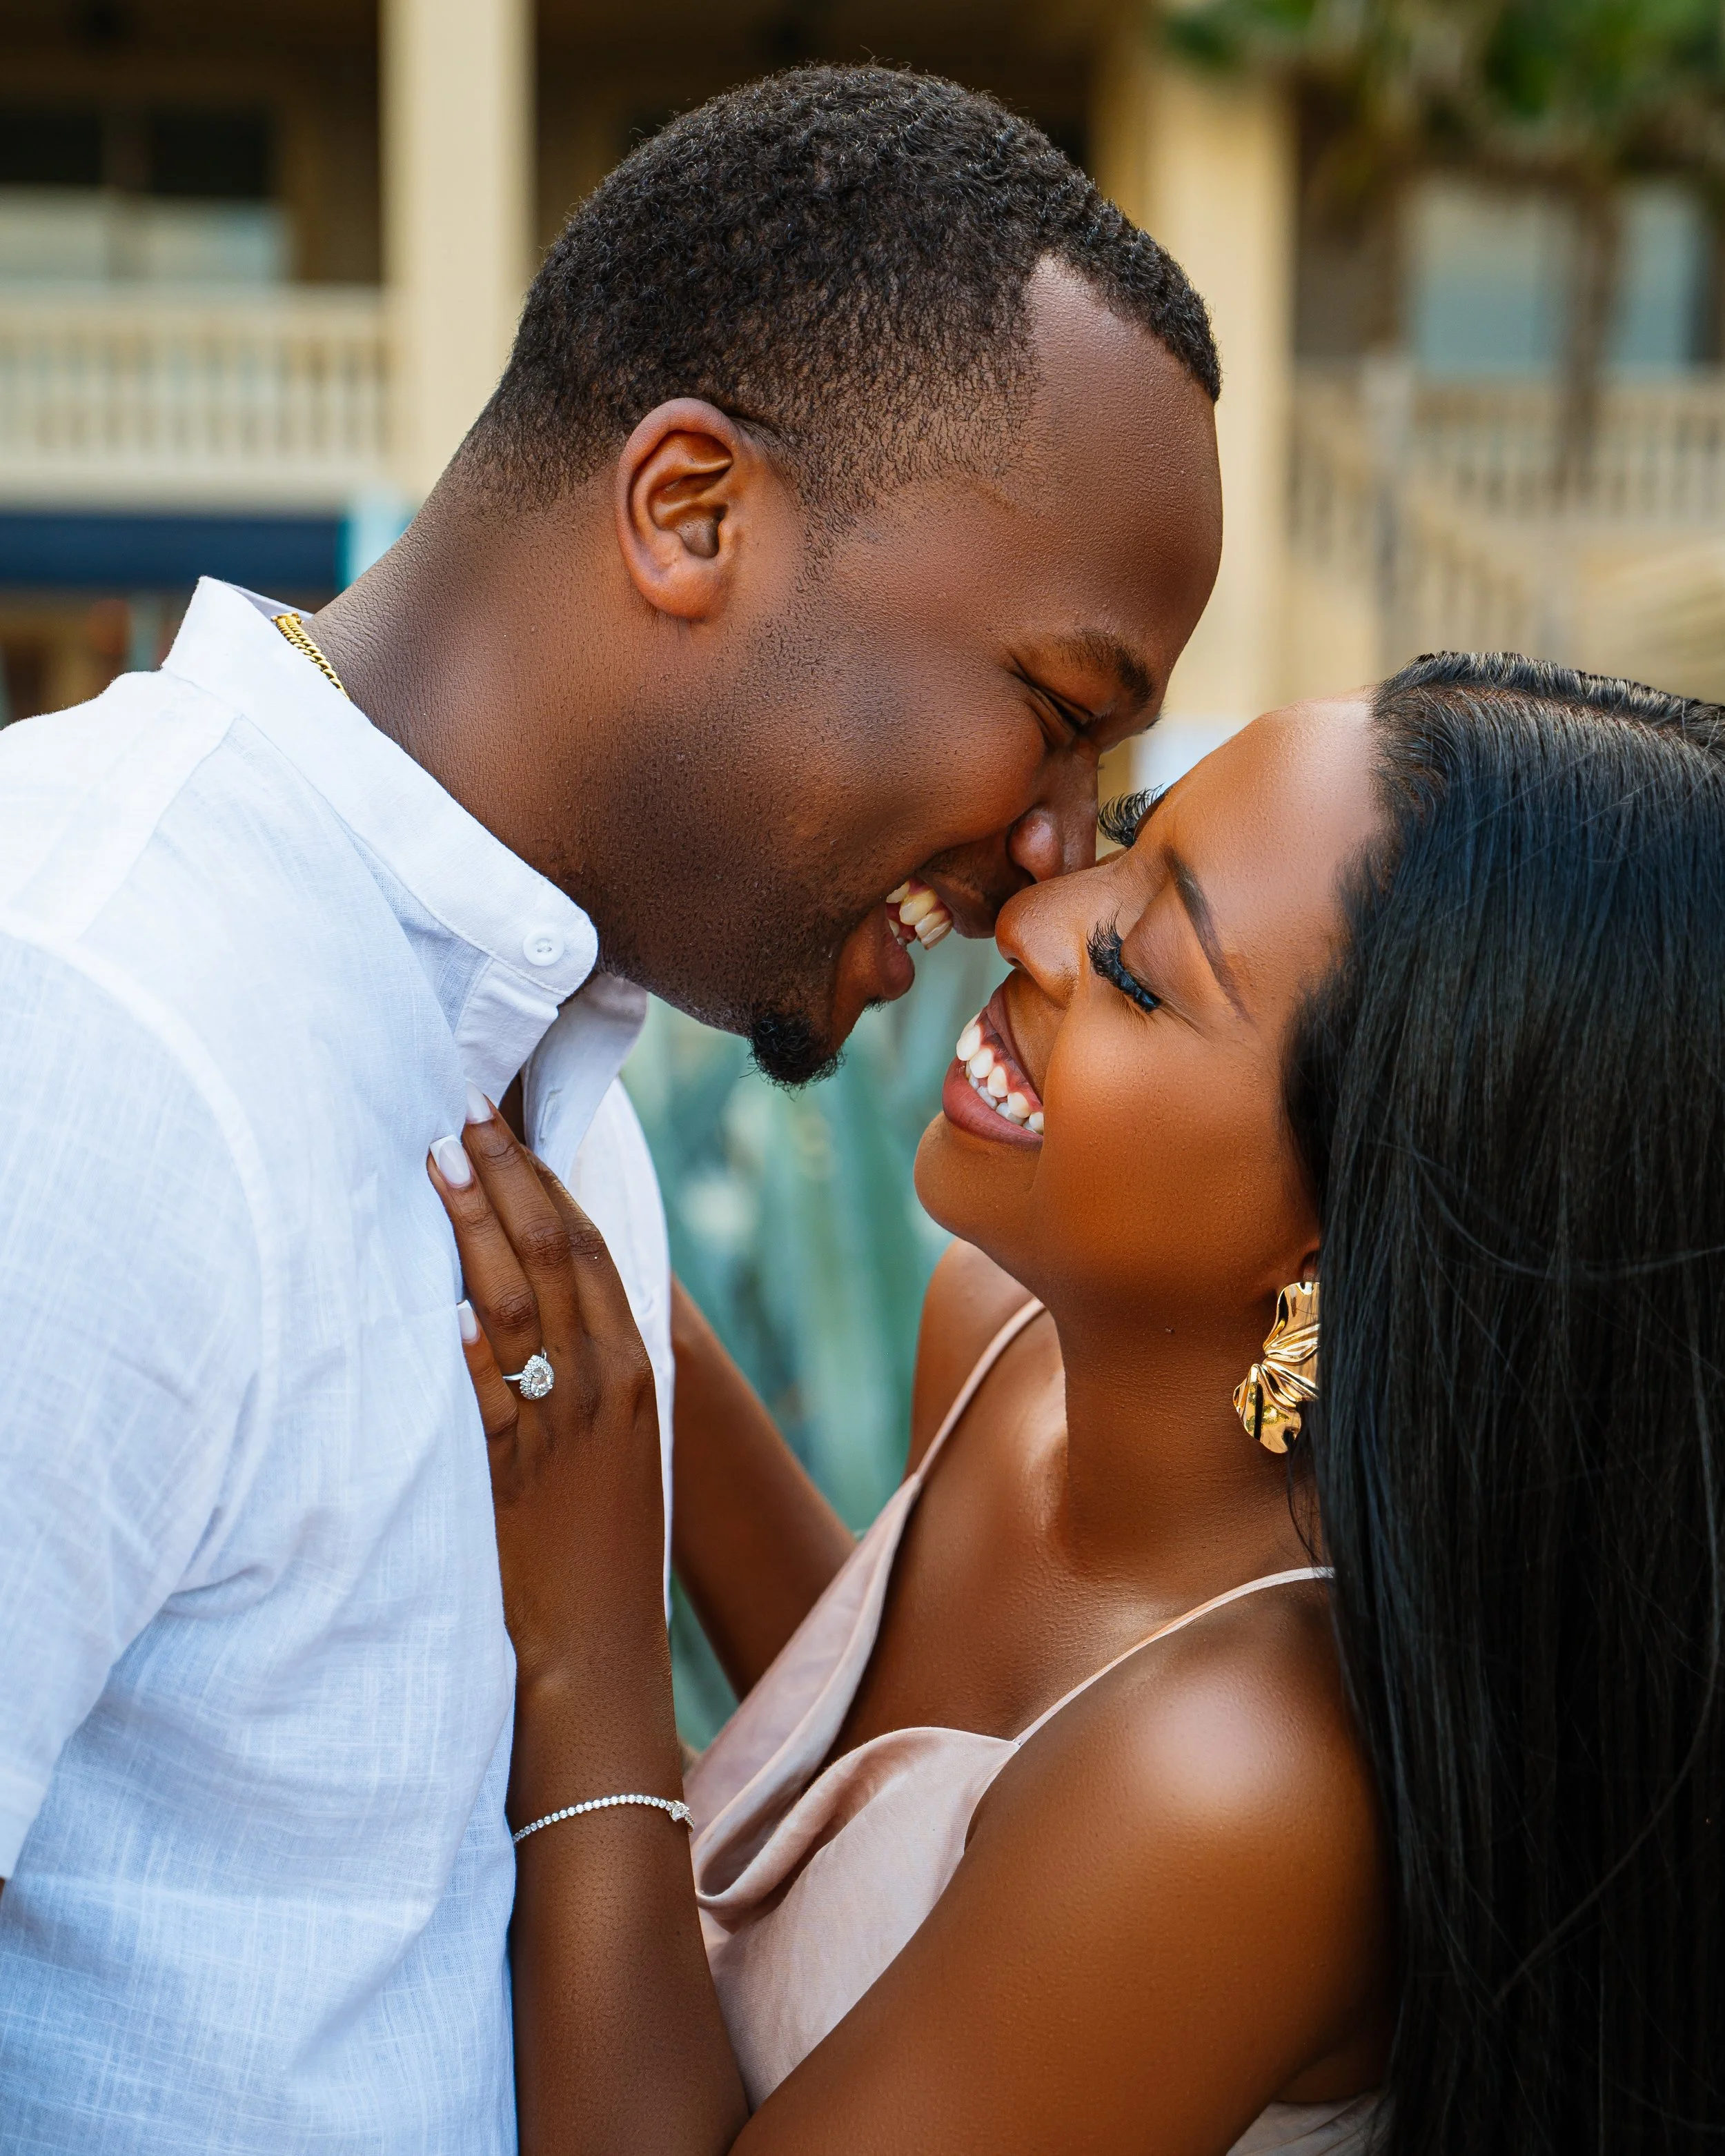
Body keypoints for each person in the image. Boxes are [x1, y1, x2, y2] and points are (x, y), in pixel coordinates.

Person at [0, 69, 1223, 2153]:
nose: (1053, 857)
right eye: (1055, 709)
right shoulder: (92, 1027)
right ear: (687, 513)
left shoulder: (552, 1071)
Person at [437, 652, 1725, 2154]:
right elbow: (873, 1814)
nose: (1038, 921)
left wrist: (592, 1656)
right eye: (1126, 845)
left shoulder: (1239, 1781)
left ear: (1342, 1230)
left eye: (1138, 970)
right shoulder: (998, 1345)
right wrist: (583, 1267)